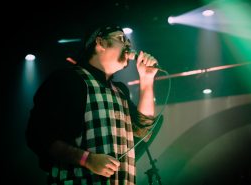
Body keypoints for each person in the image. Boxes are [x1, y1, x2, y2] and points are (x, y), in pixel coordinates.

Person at [25, 24, 160, 185]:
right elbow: (38, 136)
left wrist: (146, 81)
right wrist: (86, 159)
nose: (128, 45)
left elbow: (142, 130)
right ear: (100, 42)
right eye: (122, 39)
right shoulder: (67, 80)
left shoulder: (120, 91)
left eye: (129, 42)